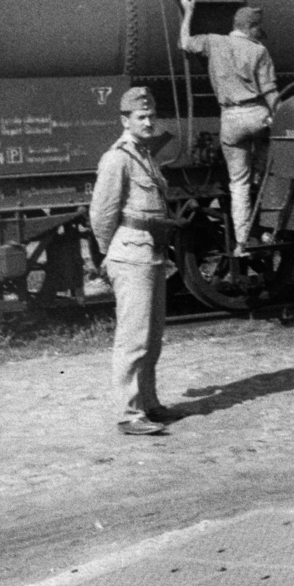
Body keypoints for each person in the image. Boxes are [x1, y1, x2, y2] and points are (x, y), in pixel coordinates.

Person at [90, 86, 175, 436]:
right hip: (131, 253)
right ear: (125, 120)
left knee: (153, 337)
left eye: (152, 115)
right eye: (141, 117)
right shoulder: (118, 158)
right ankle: (129, 413)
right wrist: (112, 254)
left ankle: (149, 403)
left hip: (151, 252)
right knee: (133, 337)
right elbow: (101, 213)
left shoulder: (146, 154)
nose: (149, 121)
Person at [178, 0, 279, 256]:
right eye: (258, 29)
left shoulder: (214, 42)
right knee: (269, 172)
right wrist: (283, 117)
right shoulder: (259, 51)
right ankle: (269, 228)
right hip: (257, 115)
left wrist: (188, 10)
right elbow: (269, 93)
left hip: (231, 119)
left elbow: (184, 42)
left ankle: (241, 243)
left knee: (238, 183)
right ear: (251, 29)